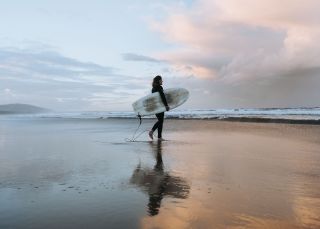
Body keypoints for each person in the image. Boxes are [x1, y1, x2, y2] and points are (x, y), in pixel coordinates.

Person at [149, 75, 169, 140]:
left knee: (160, 121)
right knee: (160, 121)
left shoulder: (153, 88)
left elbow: (154, 99)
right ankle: (151, 131)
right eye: (161, 80)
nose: (162, 81)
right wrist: (166, 105)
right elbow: (162, 96)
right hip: (160, 107)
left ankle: (159, 137)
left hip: (155, 107)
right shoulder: (159, 87)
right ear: (158, 80)